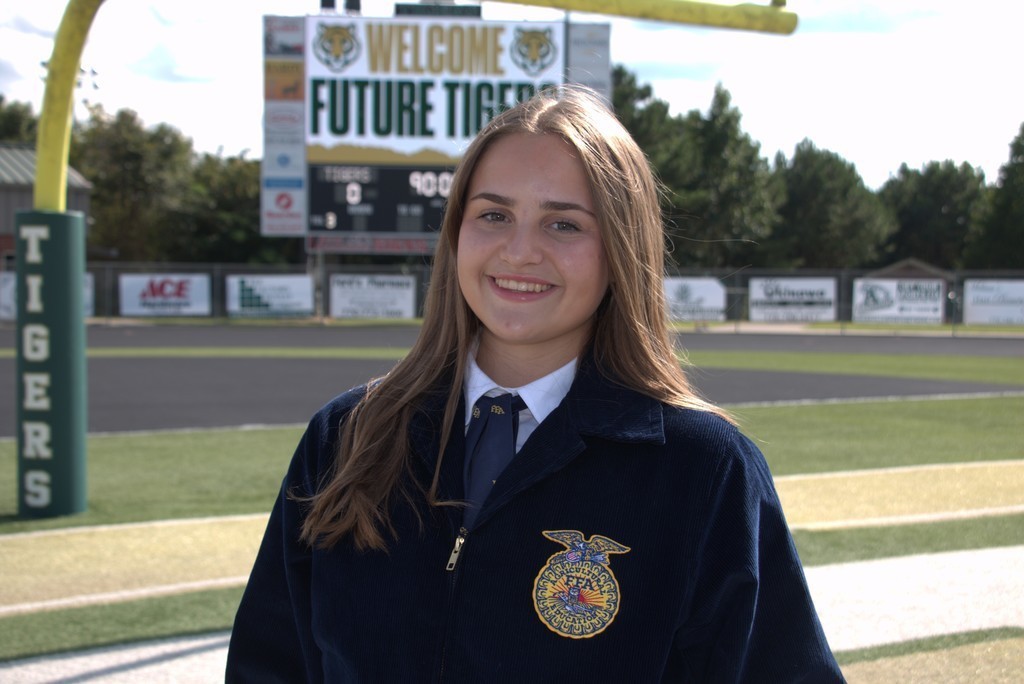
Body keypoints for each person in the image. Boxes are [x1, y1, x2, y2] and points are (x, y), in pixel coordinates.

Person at [226, 85, 844, 682]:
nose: (519, 251)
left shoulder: (703, 471)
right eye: (494, 214)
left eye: (564, 224)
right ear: (456, 235)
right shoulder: (345, 440)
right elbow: (268, 667)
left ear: (622, 250)